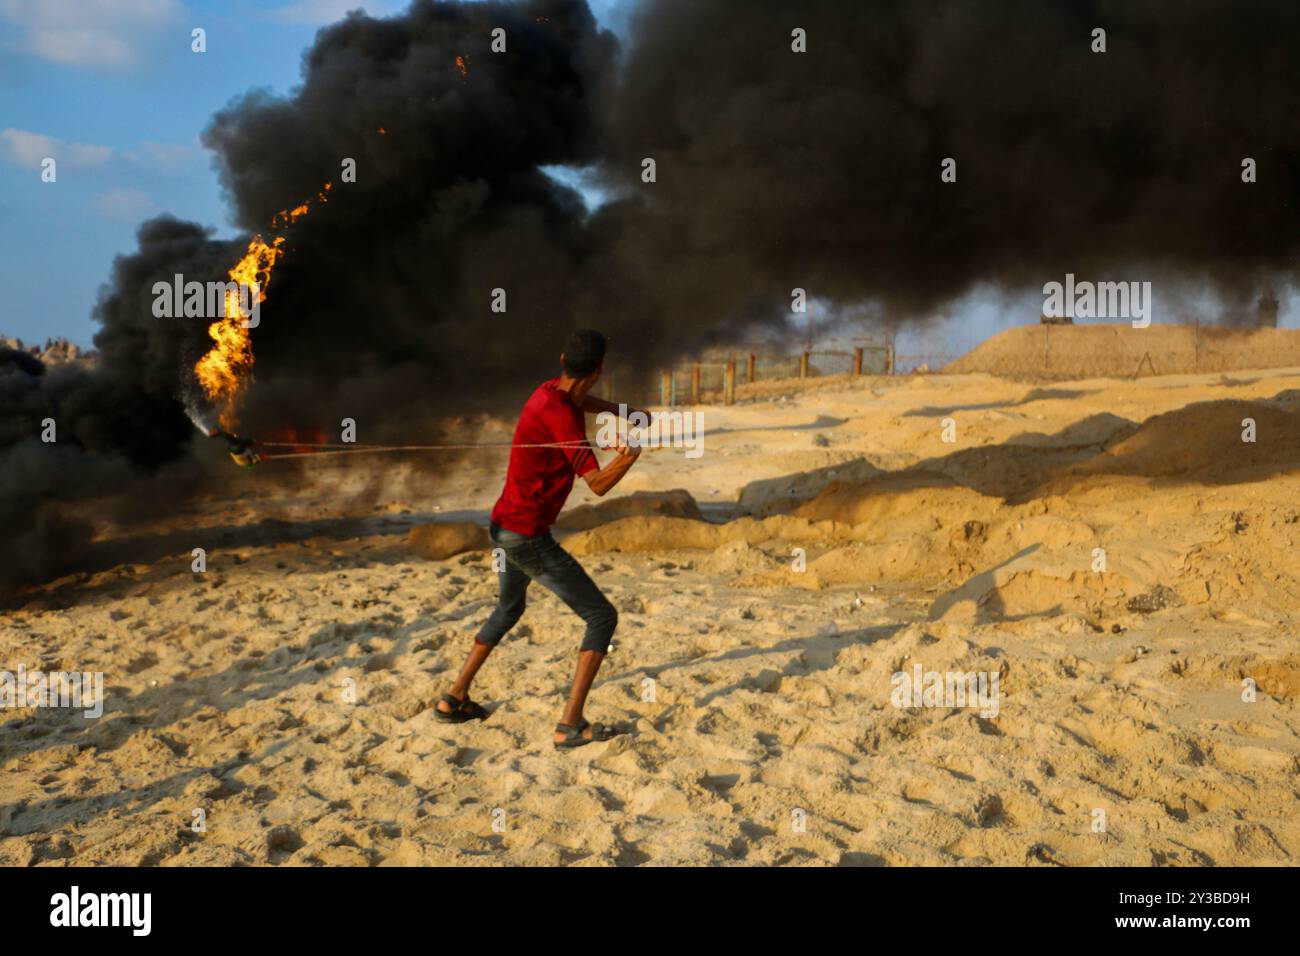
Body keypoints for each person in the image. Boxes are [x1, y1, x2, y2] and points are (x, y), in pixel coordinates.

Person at [435, 329, 647, 749]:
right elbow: (597, 484)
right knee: (602, 617)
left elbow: (581, 400)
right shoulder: (563, 417)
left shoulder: (550, 390)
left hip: (501, 526)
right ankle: (570, 724)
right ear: (600, 369)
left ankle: (453, 698)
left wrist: (626, 411)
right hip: (526, 537)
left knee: (508, 609)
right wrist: (629, 455)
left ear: (564, 358)